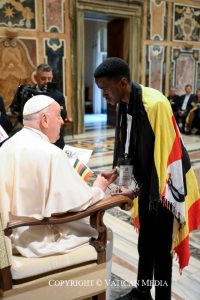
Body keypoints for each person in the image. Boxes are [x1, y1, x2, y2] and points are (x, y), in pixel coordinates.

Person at [94, 57, 200, 300]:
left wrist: (139, 191)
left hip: (165, 186)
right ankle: (143, 291)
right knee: (145, 242)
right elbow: (127, 146)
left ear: (122, 82)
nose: (104, 96)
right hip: (146, 186)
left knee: (161, 249)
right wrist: (121, 175)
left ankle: (162, 296)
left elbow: (165, 156)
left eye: (105, 89)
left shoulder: (155, 104)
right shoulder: (124, 103)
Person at [0, 95, 114, 258]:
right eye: (59, 116)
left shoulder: (8, 145)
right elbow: (79, 204)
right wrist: (99, 188)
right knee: (105, 233)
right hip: (35, 238)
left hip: (7, 236)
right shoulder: (51, 153)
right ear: (44, 119)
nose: (62, 121)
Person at [10, 63, 67, 149]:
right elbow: (20, 114)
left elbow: (63, 115)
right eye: (43, 78)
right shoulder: (27, 93)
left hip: (53, 138)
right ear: (36, 78)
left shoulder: (58, 95)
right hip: (31, 139)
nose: (47, 81)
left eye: (49, 78)